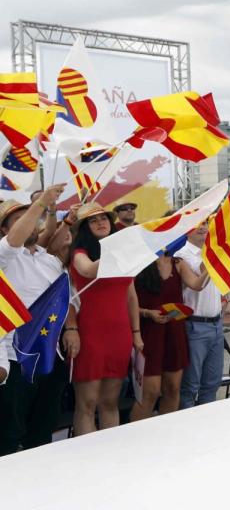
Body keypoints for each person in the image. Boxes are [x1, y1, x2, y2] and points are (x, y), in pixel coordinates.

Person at [0, 187, 79, 454]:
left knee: (43, 428)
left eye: (33, 218)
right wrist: (42, 203)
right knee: (11, 433)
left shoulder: (51, 261)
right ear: (4, 230)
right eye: (21, 219)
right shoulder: (4, 256)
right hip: (16, 359)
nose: (31, 223)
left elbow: (64, 298)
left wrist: (71, 328)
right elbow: (14, 240)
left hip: (50, 355)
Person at [68, 202, 142, 435]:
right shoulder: (79, 253)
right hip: (90, 334)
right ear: (85, 227)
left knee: (110, 402)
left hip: (119, 335)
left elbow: (131, 296)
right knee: (87, 404)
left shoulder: (122, 256)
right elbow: (88, 270)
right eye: (93, 220)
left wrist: (136, 333)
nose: (101, 222)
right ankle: (88, 458)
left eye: (104, 218)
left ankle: (112, 454)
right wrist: (116, 252)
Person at [128, 246, 205, 421]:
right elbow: (128, 304)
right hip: (148, 332)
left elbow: (197, 284)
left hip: (174, 331)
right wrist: (148, 313)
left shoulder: (177, 263)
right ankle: (133, 439)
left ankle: (166, 435)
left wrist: (210, 269)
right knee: (150, 392)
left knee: (172, 388)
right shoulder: (138, 264)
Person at [178, 220, 225, 408]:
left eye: (205, 223)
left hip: (216, 325)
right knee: (190, 386)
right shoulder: (182, 256)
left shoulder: (212, 251)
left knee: (212, 383)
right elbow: (200, 279)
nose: (202, 227)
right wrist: (214, 255)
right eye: (196, 224)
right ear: (186, 231)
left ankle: (209, 426)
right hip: (195, 326)